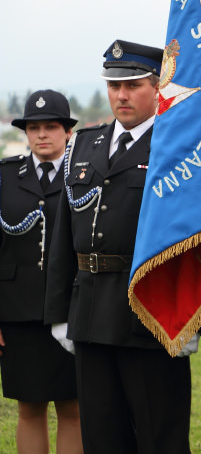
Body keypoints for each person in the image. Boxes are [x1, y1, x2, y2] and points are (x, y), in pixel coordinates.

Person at [44, 40, 200, 454]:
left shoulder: (178, 150)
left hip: (151, 314)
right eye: (114, 86)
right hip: (91, 312)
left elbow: (200, 242)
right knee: (102, 436)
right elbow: (64, 235)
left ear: (157, 88)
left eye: (132, 85)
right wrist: (60, 312)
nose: (121, 95)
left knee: (159, 436)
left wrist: (194, 319)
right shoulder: (85, 144)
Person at [1, 90, 82, 453]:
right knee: (29, 407)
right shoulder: (5, 177)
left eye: (51, 126)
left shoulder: (83, 174)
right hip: (18, 312)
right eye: (34, 127)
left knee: (74, 407)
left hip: (72, 309)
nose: (42, 135)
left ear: (67, 131)